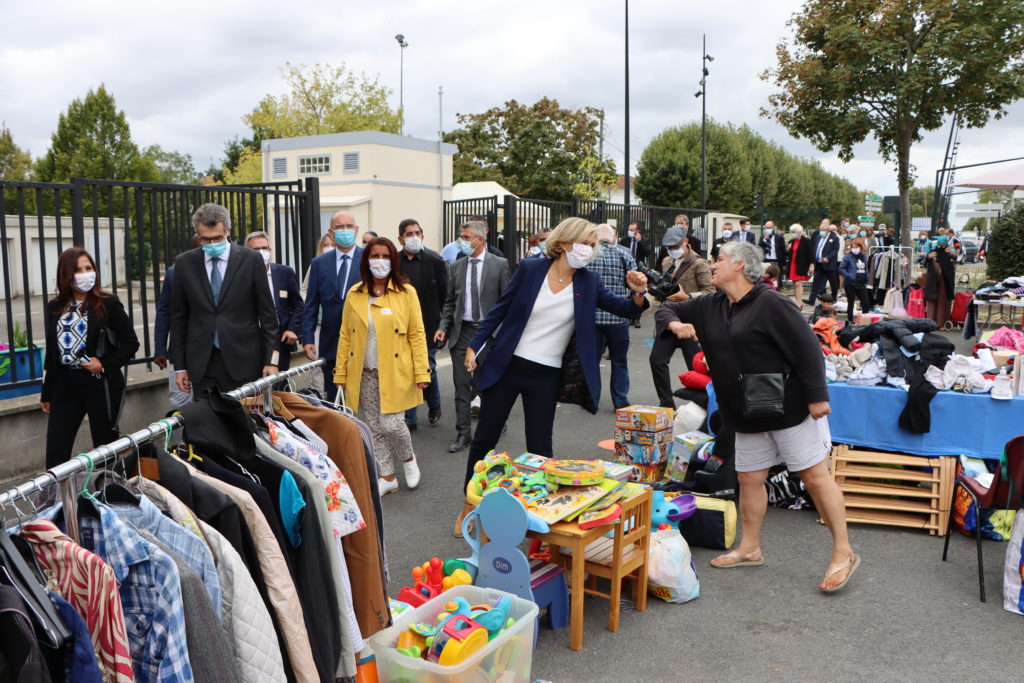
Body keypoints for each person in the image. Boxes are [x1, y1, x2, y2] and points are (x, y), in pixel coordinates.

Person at [655, 240, 858, 591]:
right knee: (749, 479)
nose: (712, 265)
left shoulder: (773, 303)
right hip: (743, 411)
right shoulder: (711, 304)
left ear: (738, 265)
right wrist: (674, 325)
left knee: (814, 476)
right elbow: (666, 310)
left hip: (789, 408)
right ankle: (750, 547)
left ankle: (844, 551)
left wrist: (817, 396)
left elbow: (808, 349)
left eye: (718, 260)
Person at [455, 217, 649, 535]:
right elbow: (499, 310)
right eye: (584, 243)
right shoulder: (531, 270)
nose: (589, 250)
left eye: (592, 244)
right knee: (485, 439)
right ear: (562, 243)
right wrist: (475, 345)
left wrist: (639, 293)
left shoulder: (589, 282)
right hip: (509, 365)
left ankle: (538, 513)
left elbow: (625, 309)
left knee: (540, 449)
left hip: (546, 374)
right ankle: (470, 504)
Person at [335, 237, 429, 495]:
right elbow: (345, 335)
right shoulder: (355, 293)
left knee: (392, 424)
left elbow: (417, 334)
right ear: (366, 260)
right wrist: (340, 373)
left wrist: (422, 371)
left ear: (393, 260)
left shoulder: (406, 292)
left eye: (386, 256)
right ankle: (387, 476)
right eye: (375, 256)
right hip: (363, 372)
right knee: (373, 427)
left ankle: (409, 460)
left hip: (396, 372)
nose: (380, 261)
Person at [41, 247, 140, 468]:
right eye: (78, 270)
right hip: (65, 387)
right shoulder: (55, 307)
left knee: (105, 451)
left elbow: (131, 343)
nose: (86, 273)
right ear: (65, 275)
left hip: (100, 386)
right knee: (56, 454)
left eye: (89, 268)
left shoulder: (107, 303)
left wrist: (103, 364)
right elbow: (52, 351)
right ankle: (57, 501)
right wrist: (47, 391)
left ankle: (109, 495)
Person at [170, 203, 279, 395]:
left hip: (244, 361)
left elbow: (268, 315)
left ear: (228, 231)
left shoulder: (251, 260)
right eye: (206, 240)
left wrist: (272, 360)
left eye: (218, 238)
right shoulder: (185, 263)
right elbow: (179, 318)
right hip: (202, 364)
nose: (212, 245)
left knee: (245, 422)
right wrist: (180, 367)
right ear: (197, 235)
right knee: (207, 423)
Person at [435, 220, 511, 454]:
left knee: (488, 384)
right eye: (462, 237)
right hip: (463, 332)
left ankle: (491, 428)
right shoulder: (456, 267)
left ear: (480, 240)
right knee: (461, 385)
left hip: (488, 333)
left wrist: (502, 336)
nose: (462, 241)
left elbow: (507, 301)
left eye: (467, 237)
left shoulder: (499, 265)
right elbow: (450, 303)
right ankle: (463, 433)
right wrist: (443, 327)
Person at [301, 211, 364, 402]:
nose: (345, 231)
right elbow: (311, 303)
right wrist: (308, 337)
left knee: (363, 395)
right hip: (331, 341)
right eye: (339, 227)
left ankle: (361, 431)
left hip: (361, 339)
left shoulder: (369, 260)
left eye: (349, 226)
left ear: (356, 230)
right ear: (331, 231)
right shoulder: (319, 264)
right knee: (334, 394)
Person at [649, 225, 714, 408]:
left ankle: (703, 403)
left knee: (695, 367)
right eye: (668, 248)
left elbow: (710, 293)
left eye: (675, 246)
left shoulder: (699, 263)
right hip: (670, 318)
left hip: (690, 321)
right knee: (657, 360)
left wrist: (688, 297)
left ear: (685, 242)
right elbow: (665, 287)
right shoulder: (667, 261)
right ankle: (666, 404)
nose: (672, 250)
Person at [397, 218, 448, 430]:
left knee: (427, 368)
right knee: (407, 371)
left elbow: (446, 297)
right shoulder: (393, 262)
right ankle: (409, 418)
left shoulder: (435, 260)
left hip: (428, 326)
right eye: (409, 234)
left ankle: (434, 404)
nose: (414, 237)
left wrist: (443, 327)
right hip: (400, 326)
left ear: (423, 235)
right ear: (400, 238)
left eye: (417, 233)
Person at [589, 224, 638, 410]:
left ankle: (592, 399)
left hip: (593, 318)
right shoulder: (624, 253)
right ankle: (620, 400)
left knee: (592, 361)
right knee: (619, 360)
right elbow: (634, 281)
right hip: (618, 317)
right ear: (614, 236)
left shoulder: (588, 255)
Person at [245, 231, 304, 372]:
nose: (261, 252)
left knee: (278, 386)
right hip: (250, 342)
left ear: (270, 250)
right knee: (253, 389)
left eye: (264, 248)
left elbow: (298, 305)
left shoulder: (285, 273)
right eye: (255, 250)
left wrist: (292, 329)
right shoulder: (241, 276)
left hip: (280, 340)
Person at [154, 233, 200, 409]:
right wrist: (160, 348)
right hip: (181, 353)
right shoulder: (175, 273)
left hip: (214, 353)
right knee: (181, 403)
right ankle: (182, 438)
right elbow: (164, 311)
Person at [806, 219, 840, 306]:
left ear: (828, 230)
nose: (820, 232)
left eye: (822, 230)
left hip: (829, 264)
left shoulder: (834, 238)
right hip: (819, 264)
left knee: (833, 282)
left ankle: (834, 297)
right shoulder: (818, 237)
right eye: (820, 230)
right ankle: (811, 299)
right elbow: (815, 248)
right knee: (816, 281)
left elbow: (835, 250)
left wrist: (828, 257)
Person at [925, 235, 955, 328]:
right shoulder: (933, 251)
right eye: (941, 243)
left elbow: (955, 258)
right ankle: (930, 323)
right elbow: (925, 260)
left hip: (945, 280)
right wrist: (929, 256)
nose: (942, 245)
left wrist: (950, 254)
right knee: (932, 300)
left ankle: (941, 323)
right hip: (933, 280)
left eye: (944, 243)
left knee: (943, 301)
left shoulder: (948, 251)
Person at [839, 241, 872, 322]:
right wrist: (849, 275)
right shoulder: (848, 257)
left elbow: (866, 268)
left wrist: (867, 278)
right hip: (851, 283)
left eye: (856, 247)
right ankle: (850, 321)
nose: (854, 249)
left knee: (865, 303)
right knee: (851, 302)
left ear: (860, 248)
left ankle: (864, 320)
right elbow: (841, 268)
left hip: (862, 282)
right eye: (853, 247)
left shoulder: (864, 256)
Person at [787, 224, 812, 306]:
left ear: (799, 232)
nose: (793, 233)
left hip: (801, 264)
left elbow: (810, 254)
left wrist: (811, 265)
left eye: (794, 232)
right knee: (794, 283)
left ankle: (799, 302)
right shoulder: (792, 241)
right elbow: (787, 253)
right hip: (792, 264)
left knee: (798, 284)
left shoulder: (806, 241)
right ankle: (797, 301)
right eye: (792, 232)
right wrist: (788, 249)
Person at [758, 220, 787, 285]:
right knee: (765, 279)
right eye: (766, 228)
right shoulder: (762, 237)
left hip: (775, 261)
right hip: (765, 261)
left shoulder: (779, 237)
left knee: (776, 281)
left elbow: (783, 251)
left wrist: (784, 264)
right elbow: (760, 247)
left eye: (769, 228)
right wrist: (765, 239)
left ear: (773, 228)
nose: (767, 229)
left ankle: (777, 292)